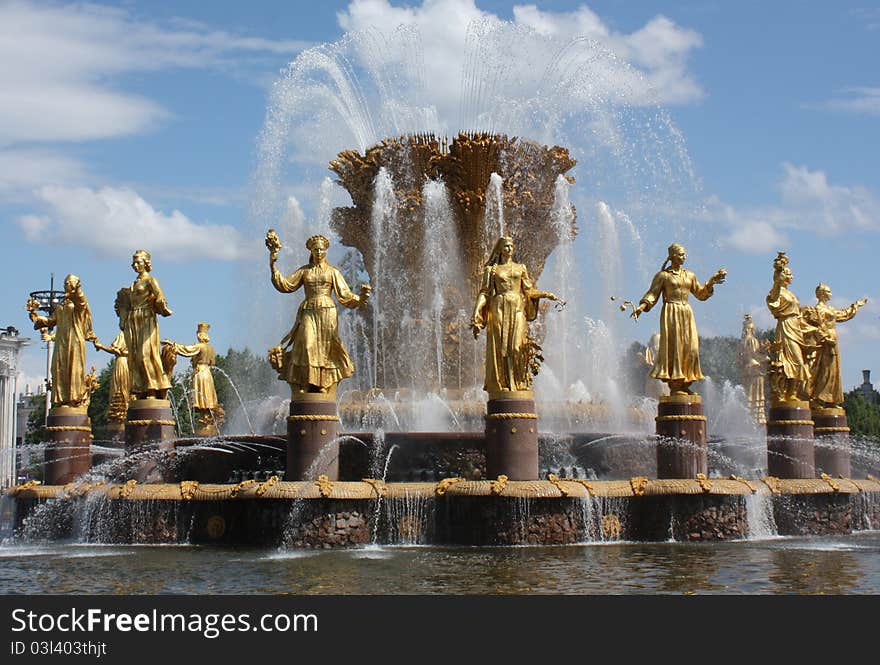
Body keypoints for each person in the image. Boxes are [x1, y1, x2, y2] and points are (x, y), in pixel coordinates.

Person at [266, 231, 371, 394]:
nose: (319, 252)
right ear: (311, 251)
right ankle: (307, 382)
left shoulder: (332, 272)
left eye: (321, 250)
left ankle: (323, 383)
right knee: (308, 345)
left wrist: (361, 298)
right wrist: (273, 264)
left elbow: (345, 295)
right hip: (309, 310)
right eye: (316, 250)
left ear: (325, 251)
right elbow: (285, 285)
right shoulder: (304, 271)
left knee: (325, 348)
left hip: (327, 312)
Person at [631, 243, 726, 395]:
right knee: (675, 348)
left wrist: (712, 281)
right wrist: (641, 307)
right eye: (681, 254)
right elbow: (652, 294)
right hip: (671, 312)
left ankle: (686, 381)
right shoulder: (664, 276)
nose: (684, 257)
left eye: (684, 254)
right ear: (672, 256)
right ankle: (676, 384)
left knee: (691, 348)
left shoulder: (690, 275)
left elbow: (701, 294)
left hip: (687, 313)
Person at [471, 236, 559, 393]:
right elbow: (484, 292)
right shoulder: (491, 270)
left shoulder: (521, 268)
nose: (509, 249)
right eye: (506, 246)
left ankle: (518, 382)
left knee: (517, 346)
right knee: (500, 346)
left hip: (517, 308)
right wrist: (477, 310)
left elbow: (529, 290)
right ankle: (501, 384)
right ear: (499, 249)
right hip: (498, 307)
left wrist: (545, 294)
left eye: (511, 246)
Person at [27, 274, 96, 407]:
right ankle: (62, 399)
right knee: (58, 368)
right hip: (61, 341)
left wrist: (76, 292)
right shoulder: (62, 305)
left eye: (68, 283)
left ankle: (74, 398)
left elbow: (81, 300)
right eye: (65, 283)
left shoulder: (78, 303)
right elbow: (52, 320)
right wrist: (36, 316)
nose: (65, 286)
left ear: (75, 285)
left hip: (74, 340)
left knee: (73, 368)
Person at [802, 283, 866, 407]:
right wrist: (826, 339)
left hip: (833, 339)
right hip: (826, 342)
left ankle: (831, 399)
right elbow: (818, 328)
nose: (831, 294)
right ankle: (817, 398)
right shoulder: (818, 310)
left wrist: (856, 306)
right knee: (825, 369)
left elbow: (844, 315)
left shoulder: (830, 309)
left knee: (834, 370)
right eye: (829, 291)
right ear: (822, 294)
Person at [765, 252, 816, 402]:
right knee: (791, 361)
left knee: (799, 362)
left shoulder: (790, 293)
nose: (792, 277)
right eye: (789, 274)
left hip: (795, 328)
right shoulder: (778, 292)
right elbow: (772, 300)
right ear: (783, 276)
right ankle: (784, 394)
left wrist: (810, 328)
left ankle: (791, 393)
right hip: (786, 327)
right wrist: (778, 272)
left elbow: (799, 315)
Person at [123, 249, 173, 400]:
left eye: (138, 262)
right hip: (134, 320)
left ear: (146, 263)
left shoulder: (151, 280)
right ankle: (141, 389)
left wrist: (162, 306)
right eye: (134, 262)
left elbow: (160, 296)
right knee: (136, 357)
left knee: (146, 354)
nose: (135, 265)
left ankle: (153, 387)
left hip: (146, 318)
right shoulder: (134, 283)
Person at [92, 288, 131, 422]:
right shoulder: (122, 335)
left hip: (125, 365)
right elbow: (116, 351)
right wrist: (100, 345)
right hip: (119, 364)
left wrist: (101, 346)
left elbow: (120, 351)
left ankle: (126, 409)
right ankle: (118, 412)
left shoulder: (130, 335)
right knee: (117, 388)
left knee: (125, 388)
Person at [737, 313, 767, 424]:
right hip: (755, 369)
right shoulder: (752, 340)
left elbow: (739, 360)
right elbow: (755, 355)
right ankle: (757, 418)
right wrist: (765, 353)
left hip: (746, 370)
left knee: (747, 393)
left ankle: (746, 417)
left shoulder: (741, 342)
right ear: (752, 329)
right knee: (757, 394)